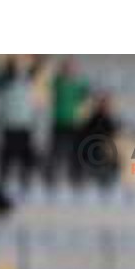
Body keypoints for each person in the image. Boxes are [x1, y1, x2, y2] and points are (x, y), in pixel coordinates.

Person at [0, 55, 46, 191]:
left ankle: (26, 184)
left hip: (25, 128)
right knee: (6, 159)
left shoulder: (30, 87)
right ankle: (3, 185)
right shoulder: (4, 88)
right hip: (9, 127)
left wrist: (38, 128)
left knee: (27, 159)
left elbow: (37, 109)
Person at [47, 57, 89, 185]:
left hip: (73, 123)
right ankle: (52, 176)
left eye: (72, 67)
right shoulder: (57, 82)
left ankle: (76, 176)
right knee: (56, 151)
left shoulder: (80, 84)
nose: (70, 70)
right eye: (68, 67)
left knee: (76, 151)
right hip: (58, 121)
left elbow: (86, 100)